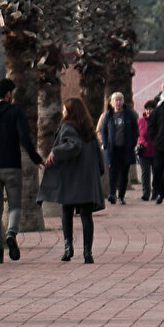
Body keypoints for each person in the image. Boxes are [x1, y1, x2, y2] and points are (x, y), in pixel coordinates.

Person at [0, 77, 42, 263]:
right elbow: (25, 138)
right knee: (14, 206)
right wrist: (36, 159)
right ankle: (11, 233)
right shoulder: (15, 112)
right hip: (12, 166)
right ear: (8, 94)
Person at [39, 96, 106, 261]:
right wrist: (98, 172)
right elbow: (98, 156)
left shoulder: (67, 127)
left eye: (64, 108)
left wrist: (56, 151)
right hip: (86, 180)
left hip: (71, 179)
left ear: (70, 111)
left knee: (66, 213)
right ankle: (87, 252)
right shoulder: (89, 131)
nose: (62, 111)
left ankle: (68, 248)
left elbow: (73, 145)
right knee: (86, 216)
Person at [97, 91, 139, 205]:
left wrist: (133, 142)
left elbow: (136, 129)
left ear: (123, 101)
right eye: (116, 100)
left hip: (126, 148)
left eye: (120, 100)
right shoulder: (107, 115)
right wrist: (104, 143)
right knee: (113, 172)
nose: (118, 102)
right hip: (112, 149)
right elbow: (102, 130)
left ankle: (121, 196)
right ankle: (112, 194)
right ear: (111, 102)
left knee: (124, 173)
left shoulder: (130, 114)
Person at [136, 102, 155, 200]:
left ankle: (156, 192)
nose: (148, 111)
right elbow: (136, 134)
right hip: (143, 151)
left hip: (156, 150)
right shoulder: (140, 121)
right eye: (147, 109)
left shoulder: (158, 121)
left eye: (151, 109)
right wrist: (140, 142)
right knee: (145, 173)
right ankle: (146, 193)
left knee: (156, 173)